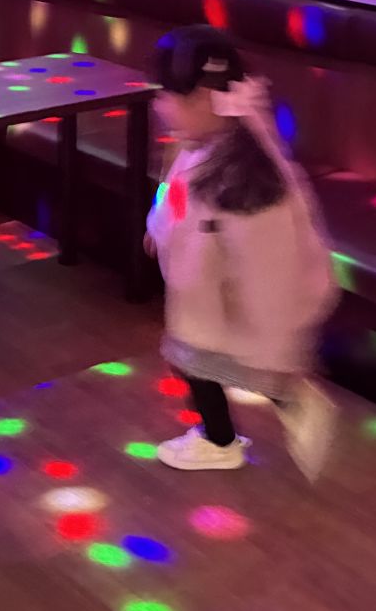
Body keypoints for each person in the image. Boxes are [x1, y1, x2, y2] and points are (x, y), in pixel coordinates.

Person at [144, 25, 339, 479]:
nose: (161, 107)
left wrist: (272, 328)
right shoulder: (202, 148)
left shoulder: (248, 180)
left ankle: (277, 410)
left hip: (230, 302)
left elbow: (270, 268)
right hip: (206, 296)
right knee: (198, 362)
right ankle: (222, 437)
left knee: (227, 363)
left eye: (169, 97)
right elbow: (174, 198)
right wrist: (157, 227)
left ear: (202, 101)